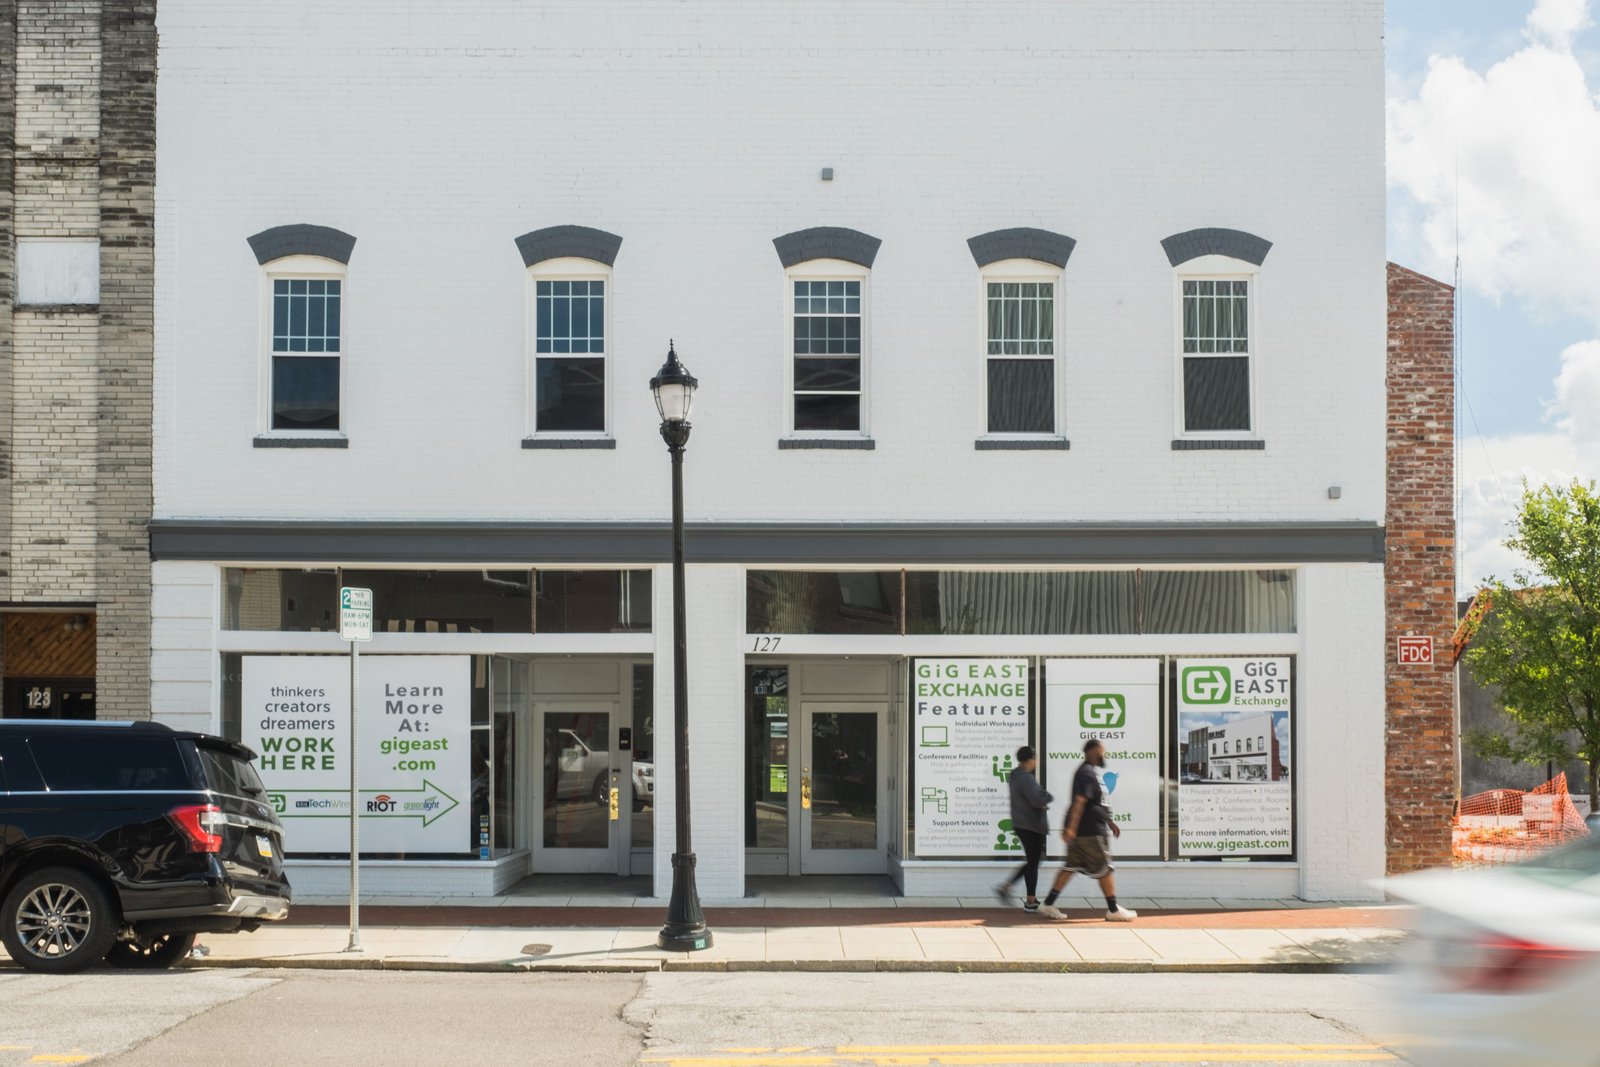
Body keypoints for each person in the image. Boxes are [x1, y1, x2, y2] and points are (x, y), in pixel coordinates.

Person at [1038, 739, 1137, 921]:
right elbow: (1080, 802)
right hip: (1090, 832)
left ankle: (1048, 904)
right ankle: (1113, 910)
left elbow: (1095, 805)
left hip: (1082, 831)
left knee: (1070, 867)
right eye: (1101, 751)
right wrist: (1071, 828)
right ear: (1092, 752)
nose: (1103, 755)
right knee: (1105, 868)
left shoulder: (1090, 772)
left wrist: (1109, 821)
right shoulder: (1085, 773)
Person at [995, 745, 1051, 912]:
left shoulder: (1015, 776)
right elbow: (1036, 800)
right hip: (1031, 825)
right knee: (1033, 861)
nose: (1036, 762)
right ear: (1029, 759)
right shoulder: (1026, 778)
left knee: (1032, 861)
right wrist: (1048, 796)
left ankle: (1030, 899)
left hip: (1022, 824)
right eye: (1035, 758)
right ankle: (1010, 888)